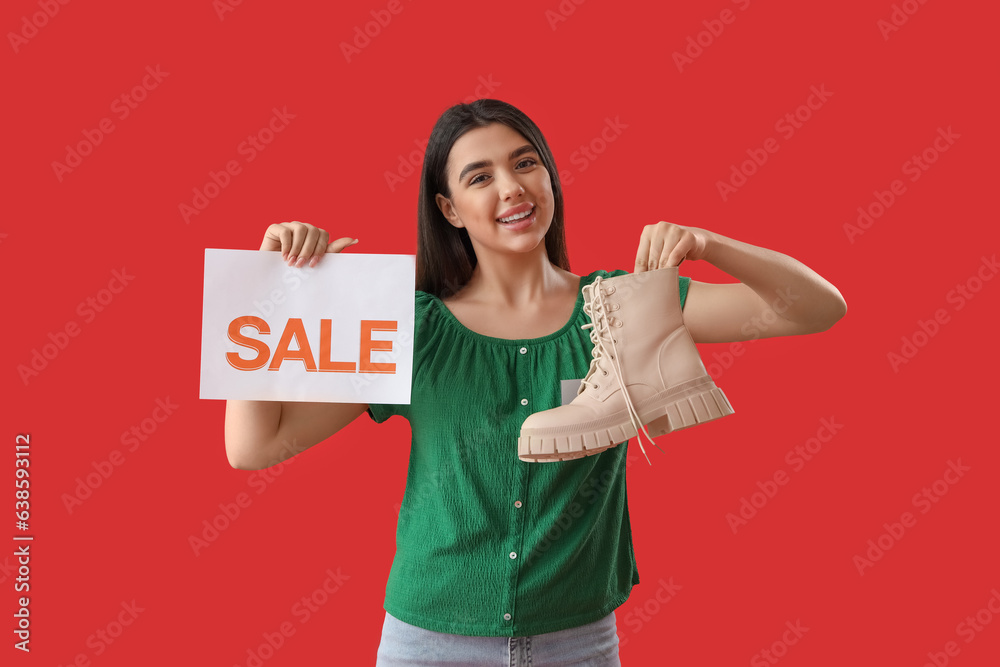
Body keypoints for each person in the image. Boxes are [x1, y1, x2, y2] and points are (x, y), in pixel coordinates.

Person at [224, 99, 847, 666]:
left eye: (526, 164)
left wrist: (712, 244)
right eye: (480, 177)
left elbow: (814, 309)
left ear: (549, 177)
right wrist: (264, 291)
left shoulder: (627, 309)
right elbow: (254, 447)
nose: (512, 187)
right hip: (429, 644)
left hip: (577, 643)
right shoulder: (410, 329)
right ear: (449, 209)